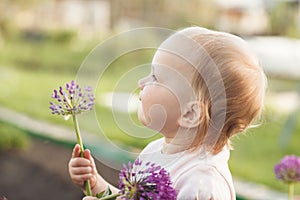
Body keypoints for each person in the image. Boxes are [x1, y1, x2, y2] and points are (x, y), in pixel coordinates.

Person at [68, 27, 266, 200]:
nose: (141, 82)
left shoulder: (201, 184)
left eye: (155, 77)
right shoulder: (155, 152)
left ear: (191, 113)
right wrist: (95, 184)